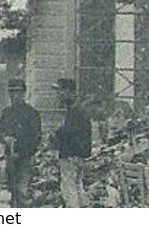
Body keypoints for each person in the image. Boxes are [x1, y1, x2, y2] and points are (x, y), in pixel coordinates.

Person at [0, 79, 39, 206]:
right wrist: (4, 138)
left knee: (21, 191)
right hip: (10, 158)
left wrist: (22, 152)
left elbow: (35, 138)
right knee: (11, 191)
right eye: (12, 93)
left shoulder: (31, 113)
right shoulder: (7, 113)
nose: (14, 96)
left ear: (24, 93)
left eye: (18, 92)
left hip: (25, 158)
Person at [52, 79, 91, 208]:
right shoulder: (79, 109)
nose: (58, 94)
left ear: (68, 92)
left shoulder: (74, 111)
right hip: (79, 156)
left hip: (70, 157)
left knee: (69, 190)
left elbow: (68, 134)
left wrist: (56, 135)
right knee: (78, 188)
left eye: (60, 91)